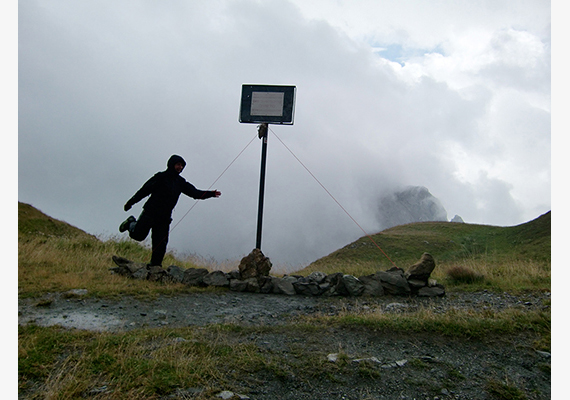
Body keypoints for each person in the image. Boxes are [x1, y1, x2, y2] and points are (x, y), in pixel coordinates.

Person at [119, 154, 221, 266]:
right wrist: (130, 202)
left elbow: (195, 193)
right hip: (150, 212)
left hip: (164, 217)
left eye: (182, 166)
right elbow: (144, 190)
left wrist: (211, 194)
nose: (180, 167)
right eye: (178, 165)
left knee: (160, 243)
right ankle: (130, 223)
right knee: (138, 235)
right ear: (171, 164)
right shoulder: (160, 177)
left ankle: (155, 267)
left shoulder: (181, 182)